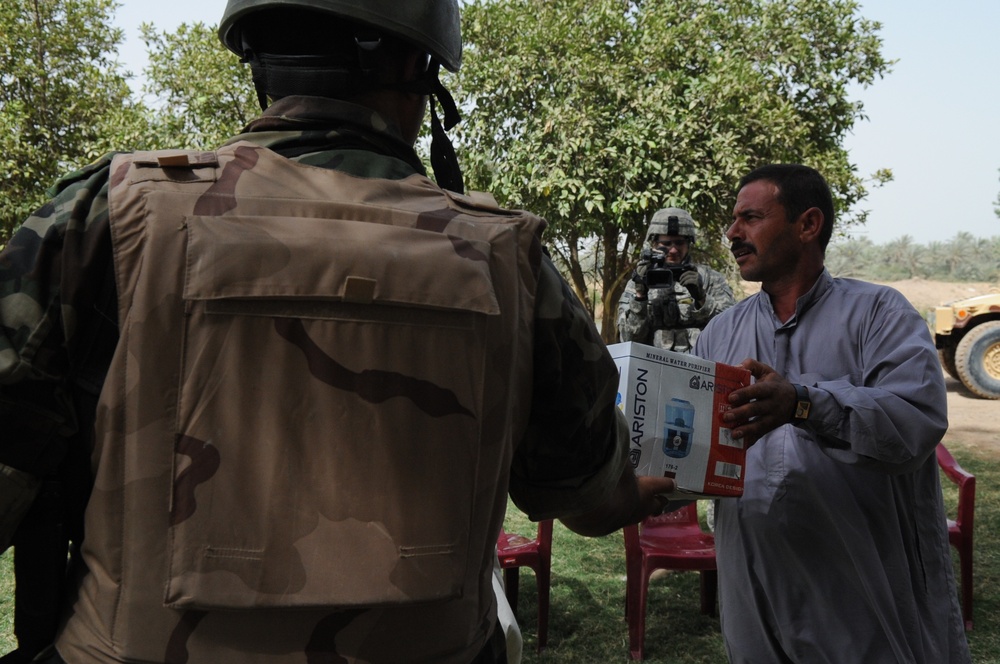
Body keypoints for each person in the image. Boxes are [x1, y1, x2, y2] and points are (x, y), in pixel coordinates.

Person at [0, 2, 675, 663]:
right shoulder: (511, 257)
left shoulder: (102, 216)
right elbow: (585, 494)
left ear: (257, 59)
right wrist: (640, 492)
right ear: (419, 66)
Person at [693, 164, 971, 663]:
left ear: (808, 224)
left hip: (859, 586)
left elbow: (915, 420)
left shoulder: (880, 314)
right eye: (733, 221)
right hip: (752, 582)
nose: (732, 233)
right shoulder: (719, 334)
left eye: (750, 218)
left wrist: (803, 403)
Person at [616, 207, 734, 352]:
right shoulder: (639, 281)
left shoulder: (710, 279)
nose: (673, 250)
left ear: (689, 243)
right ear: (654, 244)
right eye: (665, 244)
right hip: (652, 369)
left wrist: (701, 298)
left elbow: (730, 330)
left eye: (679, 243)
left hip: (699, 368)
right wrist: (640, 297)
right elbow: (627, 341)